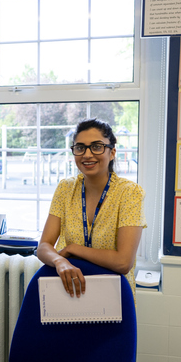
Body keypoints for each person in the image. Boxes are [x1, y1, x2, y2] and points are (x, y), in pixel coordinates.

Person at [37, 118, 146, 300]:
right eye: (80, 147)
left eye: (97, 146)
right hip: (68, 292)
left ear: (112, 153)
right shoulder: (65, 188)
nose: (87, 154)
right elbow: (43, 247)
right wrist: (59, 261)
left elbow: (123, 262)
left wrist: (73, 248)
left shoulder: (130, 193)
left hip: (113, 295)